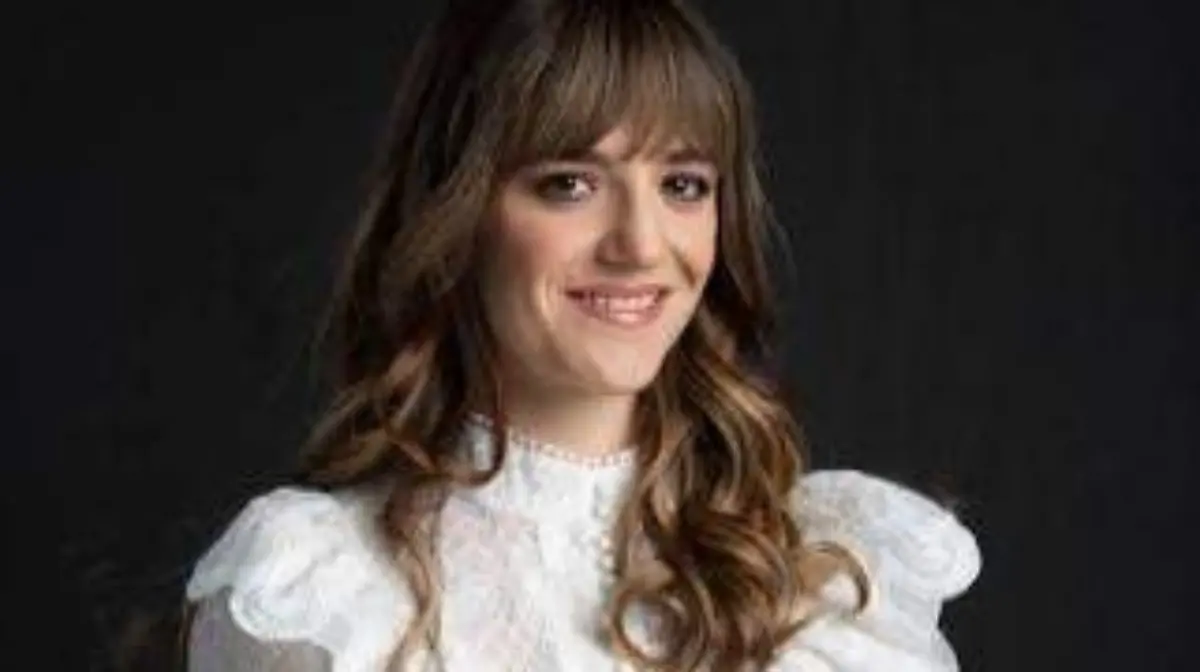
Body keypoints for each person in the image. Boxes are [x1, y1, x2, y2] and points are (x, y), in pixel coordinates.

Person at [182, 0, 981, 669]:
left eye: (682, 184)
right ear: (458, 213)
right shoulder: (324, 600)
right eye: (570, 184)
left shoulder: (819, 583)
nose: (641, 244)